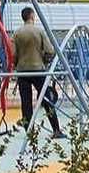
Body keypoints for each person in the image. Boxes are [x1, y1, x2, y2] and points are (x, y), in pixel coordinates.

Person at [10, 7, 61, 136]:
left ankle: (30, 132)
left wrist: (16, 64)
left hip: (23, 71)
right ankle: (56, 130)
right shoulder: (39, 31)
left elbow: (13, 54)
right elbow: (50, 51)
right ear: (32, 16)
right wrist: (44, 61)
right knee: (46, 100)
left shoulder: (17, 33)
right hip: (38, 70)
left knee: (26, 102)